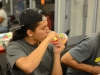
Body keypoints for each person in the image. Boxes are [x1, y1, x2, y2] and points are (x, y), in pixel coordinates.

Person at [6, 8, 65, 75]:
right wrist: (47, 39)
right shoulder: (14, 47)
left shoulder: (49, 46)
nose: (48, 30)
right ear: (30, 33)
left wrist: (56, 54)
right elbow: (28, 67)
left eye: (47, 26)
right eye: (43, 28)